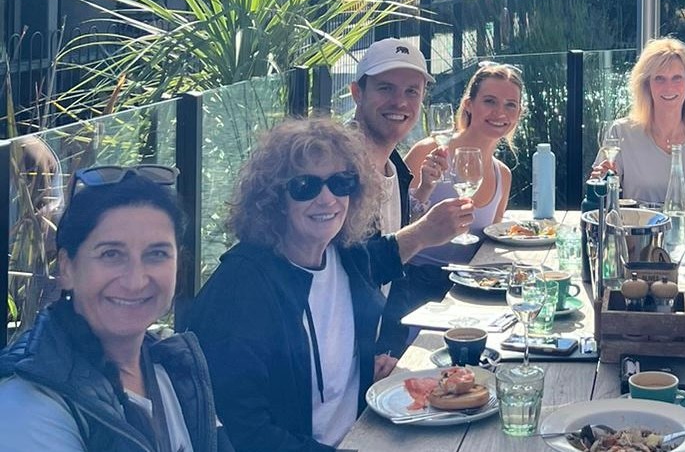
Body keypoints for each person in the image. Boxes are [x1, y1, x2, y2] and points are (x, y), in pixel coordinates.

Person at [183, 118, 405, 451]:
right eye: (306, 186)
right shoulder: (242, 290)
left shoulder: (348, 256)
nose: (328, 199)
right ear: (274, 199)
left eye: (340, 183)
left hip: (364, 436)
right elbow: (246, 433)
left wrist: (365, 373)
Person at [0, 166, 232, 452]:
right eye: (111, 254)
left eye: (156, 254)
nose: (135, 281)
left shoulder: (172, 369)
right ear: (66, 267)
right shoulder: (26, 402)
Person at [348, 37, 475, 355]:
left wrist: (389, 347)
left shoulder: (396, 169)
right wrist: (422, 234)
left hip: (376, 349)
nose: (400, 102)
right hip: (339, 359)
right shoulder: (336, 170)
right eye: (385, 88)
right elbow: (346, 271)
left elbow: (396, 274)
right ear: (357, 93)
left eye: (411, 92)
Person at [402, 62, 524, 304]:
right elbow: (391, 226)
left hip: (471, 290)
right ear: (469, 105)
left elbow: (491, 241)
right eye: (489, 101)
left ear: (518, 113)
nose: (500, 113)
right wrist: (425, 189)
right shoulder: (428, 152)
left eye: (510, 105)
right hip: (415, 286)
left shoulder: (503, 174)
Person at [592, 37, 685, 205]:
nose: (669, 88)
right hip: (637, 230)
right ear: (646, 85)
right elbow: (602, 201)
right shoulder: (620, 134)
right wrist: (600, 183)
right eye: (659, 78)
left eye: (677, 78)